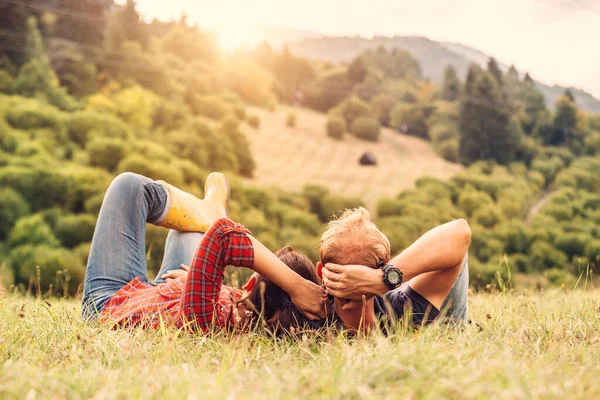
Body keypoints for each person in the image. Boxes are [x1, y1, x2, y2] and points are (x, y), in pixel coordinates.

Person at [81, 172, 326, 333]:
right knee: (187, 232)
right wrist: (195, 282)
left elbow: (222, 234)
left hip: (112, 305)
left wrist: (296, 285)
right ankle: (204, 214)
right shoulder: (243, 317)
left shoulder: (204, 317)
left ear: (252, 283)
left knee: (130, 187)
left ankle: (209, 212)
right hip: (167, 297)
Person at [316, 207, 471, 332]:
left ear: (320, 271)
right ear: (386, 264)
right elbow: (461, 231)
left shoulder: (307, 319)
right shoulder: (406, 313)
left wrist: (381, 280)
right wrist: (386, 278)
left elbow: (460, 231)